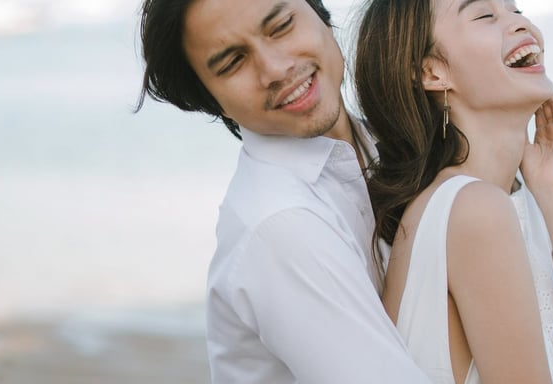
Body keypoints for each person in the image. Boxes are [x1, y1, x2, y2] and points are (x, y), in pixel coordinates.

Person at [135, 0, 434, 383]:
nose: (275, 69)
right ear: (213, 102)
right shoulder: (278, 223)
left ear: (322, 17)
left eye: (281, 27)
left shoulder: (391, 142)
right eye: (233, 62)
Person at [354, 0, 553, 383]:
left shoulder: (514, 200)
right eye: (485, 15)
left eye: (516, 10)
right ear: (432, 72)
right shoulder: (473, 209)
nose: (520, 24)